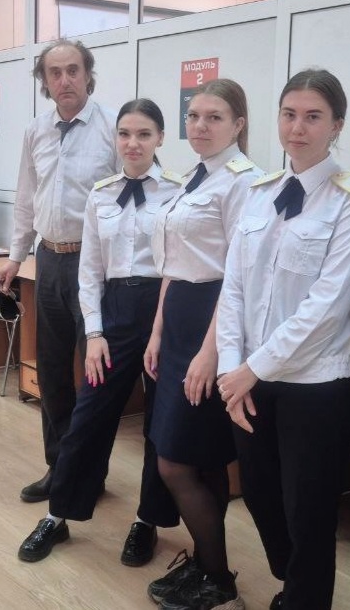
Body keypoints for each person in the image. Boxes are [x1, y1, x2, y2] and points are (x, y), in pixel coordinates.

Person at [216, 70, 350, 610]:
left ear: (337, 125)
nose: (298, 128)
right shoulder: (259, 193)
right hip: (249, 379)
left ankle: (305, 599)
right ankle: (292, 585)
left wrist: (250, 369)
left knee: (308, 510)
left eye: (313, 117)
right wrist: (231, 368)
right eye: (289, 115)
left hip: (317, 385)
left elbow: (328, 306)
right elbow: (234, 288)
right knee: (261, 496)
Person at [17, 98, 180, 568]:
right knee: (89, 416)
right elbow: (89, 270)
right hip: (114, 311)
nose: (133, 143)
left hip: (164, 310)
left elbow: (182, 266)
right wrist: (95, 333)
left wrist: (163, 327)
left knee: (158, 423)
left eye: (144, 134)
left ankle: (146, 521)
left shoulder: (178, 192)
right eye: (125, 134)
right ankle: (58, 515)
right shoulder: (101, 194)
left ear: (160, 138)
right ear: (115, 139)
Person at [143, 79, 261, 610]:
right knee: (200, 458)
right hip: (180, 317)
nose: (200, 126)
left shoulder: (244, 182)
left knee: (174, 461)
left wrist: (210, 352)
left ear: (238, 124)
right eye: (194, 116)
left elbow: (237, 275)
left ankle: (218, 579)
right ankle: (207, 563)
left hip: (215, 322)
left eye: (214, 117)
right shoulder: (194, 175)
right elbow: (175, 262)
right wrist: (158, 330)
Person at [0, 39, 120, 508]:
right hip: (47, 260)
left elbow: (137, 195)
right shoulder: (36, 131)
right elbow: (26, 197)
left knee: (95, 376)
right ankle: (59, 467)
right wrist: (15, 255)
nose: (64, 80)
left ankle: (89, 473)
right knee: (51, 371)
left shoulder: (114, 128)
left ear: (88, 74)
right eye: (55, 73)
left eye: (73, 70)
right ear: (44, 81)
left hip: (95, 265)